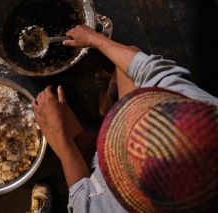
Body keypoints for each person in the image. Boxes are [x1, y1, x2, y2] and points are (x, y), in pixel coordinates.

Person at [30, 25, 218, 212]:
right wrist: (94, 39)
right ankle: (108, 104)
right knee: (129, 61)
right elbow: (144, 67)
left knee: (44, 116)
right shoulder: (202, 111)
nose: (111, 129)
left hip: (95, 177)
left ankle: (100, 118)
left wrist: (58, 129)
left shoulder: (108, 208)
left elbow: (80, 192)